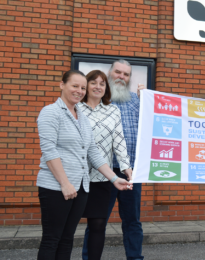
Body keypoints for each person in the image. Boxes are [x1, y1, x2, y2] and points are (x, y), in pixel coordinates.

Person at [36, 70, 132, 260]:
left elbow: (92, 151)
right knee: (52, 239)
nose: (79, 91)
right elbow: (49, 151)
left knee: (66, 239)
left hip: (80, 186)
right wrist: (65, 183)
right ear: (62, 85)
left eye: (81, 87)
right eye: (75, 86)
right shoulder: (51, 112)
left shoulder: (80, 115)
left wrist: (114, 179)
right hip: (56, 186)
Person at [82, 60, 145, 260]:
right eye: (118, 72)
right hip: (102, 172)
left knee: (132, 220)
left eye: (126, 74)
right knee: (97, 221)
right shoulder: (98, 101)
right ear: (110, 73)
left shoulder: (137, 101)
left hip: (131, 171)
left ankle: (135, 258)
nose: (121, 77)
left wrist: (147, 101)